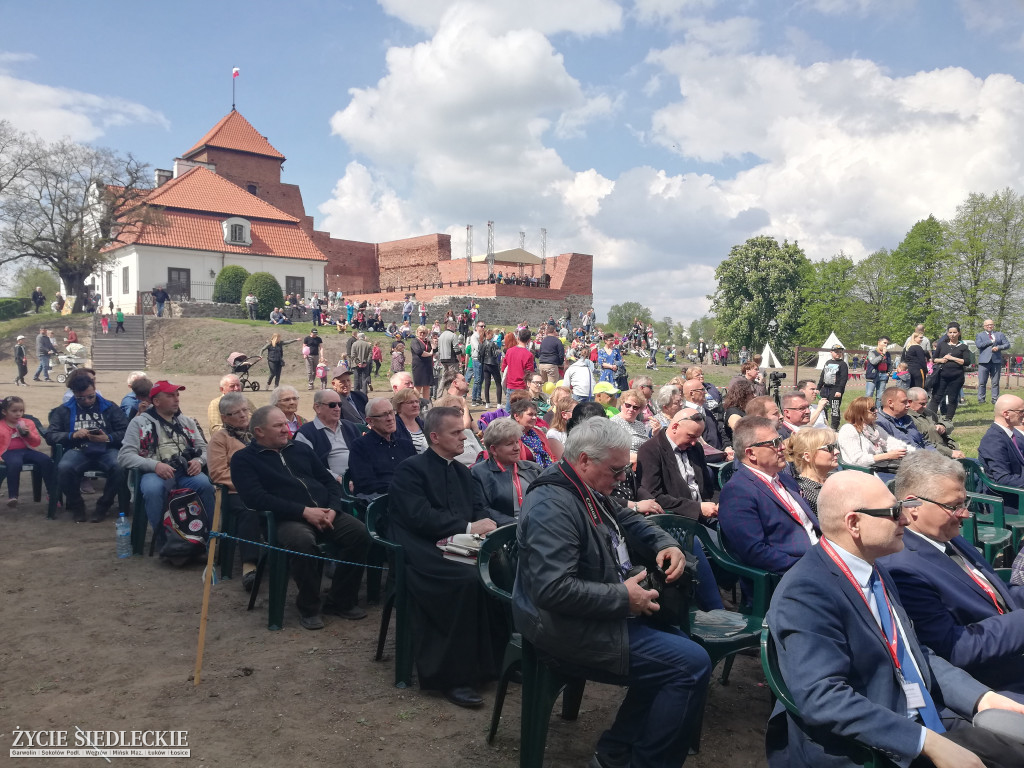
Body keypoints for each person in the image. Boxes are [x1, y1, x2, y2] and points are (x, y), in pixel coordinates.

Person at [766, 470, 1024, 768]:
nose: (905, 518)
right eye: (893, 511)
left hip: (920, 714)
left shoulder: (874, 570)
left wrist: (982, 698)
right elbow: (823, 697)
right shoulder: (806, 592)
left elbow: (915, 654)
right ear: (854, 524)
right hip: (867, 747)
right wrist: (925, 742)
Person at [514, 416, 712, 768]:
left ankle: (615, 752)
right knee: (690, 664)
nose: (623, 480)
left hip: (599, 611)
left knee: (682, 648)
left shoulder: (584, 486)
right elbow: (552, 590)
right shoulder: (552, 504)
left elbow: (630, 519)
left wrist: (667, 543)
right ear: (585, 460)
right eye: (617, 471)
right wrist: (623, 598)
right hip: (565, 628)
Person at [387, 407, 509, 707]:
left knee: (504, 569)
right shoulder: (410, 469)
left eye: (463, 431)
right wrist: (469, 526)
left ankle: (496, 664)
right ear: (435, 437)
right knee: (467, 581)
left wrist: (485, 526)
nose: (463, 437)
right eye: (456, 433)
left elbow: (477, 507)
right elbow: (419, 517)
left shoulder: (459, 470)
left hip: (461, 544)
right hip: (423, 551)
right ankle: (454, 677)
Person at [879, 451, 1024, 695]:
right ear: (914, 506)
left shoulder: (947, 538)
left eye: (964, 504)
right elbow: (954, 648)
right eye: (954, 506)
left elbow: (997, 598)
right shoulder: (903, 569)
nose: (965, 514)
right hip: (993, 686)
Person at [231, 405, 370, 629]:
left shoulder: (300, 449)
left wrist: (333, 509)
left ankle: (340, 599)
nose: (286, 429)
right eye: (278, 426)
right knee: (302, 542)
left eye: (285, 424)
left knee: (360, 533)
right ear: (259, 431)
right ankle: (309, 607)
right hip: (285, 520)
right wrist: (303, 512)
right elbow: (256, 499)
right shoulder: (244, 459)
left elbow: (328, 481)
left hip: (325, 512)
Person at [718, 416, 820, 576]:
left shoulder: (785, 479)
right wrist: (808, 568)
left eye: (780, 440)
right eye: (774, 444)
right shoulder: (737, 492)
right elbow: (754, 551)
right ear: (751, 453)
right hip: (792, 573)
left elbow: (809, 525)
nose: (782, 448)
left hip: (820, 555)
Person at [118, 381, 216, 543]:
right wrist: (154, 465)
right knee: (153, 489)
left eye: (177, 395)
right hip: (154, 473)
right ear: (156, 402)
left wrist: (199, 461)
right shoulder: (139, 423)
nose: (176, 399)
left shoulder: (187, 422)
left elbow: (205, 448)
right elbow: (125, 456)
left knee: (204, 484)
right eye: (170, 396)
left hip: (185, 472)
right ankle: (164, 540)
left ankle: (208, 536)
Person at [46, 377, 128, 522]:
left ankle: (104, 505)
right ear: (74, 394)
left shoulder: (109, 407)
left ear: (95, 390)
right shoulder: (64, 410)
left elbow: (126, 431)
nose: (87, 401)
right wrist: (72, 435)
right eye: (81, 398)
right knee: (64, 468)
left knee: (120, 466)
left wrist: (108, 437)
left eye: (91, 396)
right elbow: (51, 435)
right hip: (78, 449)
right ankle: (77, 506)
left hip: (107, 449)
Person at [206, 392, 261, 592]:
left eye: (245, 410)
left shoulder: (259, 432)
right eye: (235, 413)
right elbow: (218, 473)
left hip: (266, 488)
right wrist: (250, 484)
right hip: (236, 493)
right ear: (224, 418)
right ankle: (249, 566)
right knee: (250, 510)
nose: (242, 415)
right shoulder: (220, 439)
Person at [636, 408, 717, 526]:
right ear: (674, 427)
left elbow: (708, 487)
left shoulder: (695, 448)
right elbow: (653, 496)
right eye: (691, 436)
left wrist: (717, 505)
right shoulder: (650, 450)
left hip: (706, 514)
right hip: (679, 521)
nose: (694, 442)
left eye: (697, 437)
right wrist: (696, 508)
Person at [471, 417, 543, 525]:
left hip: (539, 525)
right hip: (506, 531)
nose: (517, 448)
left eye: (517, 442)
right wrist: (516, 525)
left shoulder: (533, 468)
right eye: (509, 444)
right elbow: (482, 509)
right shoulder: (478, 473)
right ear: (493, 449)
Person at [348, 397, 416, 497]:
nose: (390, 418)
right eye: (383, 415)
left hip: (412, 496)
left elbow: (418, 474)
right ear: (370, 421)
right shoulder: (360, 446)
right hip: (383, 501)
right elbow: (365, 483)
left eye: (391, 412)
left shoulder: (406, 445)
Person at [837, 396, 912, 480]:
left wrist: (913, 453)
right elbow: (858, 461)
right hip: (860, 474)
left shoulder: (874, 428)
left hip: (879, 469)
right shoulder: (848, 430)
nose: (876, 411)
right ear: (860, 413)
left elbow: (891, 442)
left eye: (876, 407)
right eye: (872, 409)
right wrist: (888, 455)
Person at [295, 389, 362, 482]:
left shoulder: (350, 427)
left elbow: (365, 454)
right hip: (330, 485)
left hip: (359, 478)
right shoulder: (305, 433)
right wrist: (338, 479)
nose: (337, 408)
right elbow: (306, 465)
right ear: (317, 407)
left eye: (340, 404)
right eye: (332, 405)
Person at [0, 396, 55, 507]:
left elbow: (36, 442)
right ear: (4, 412)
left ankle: (52, 493)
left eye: (21, 411)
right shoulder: (1, 425)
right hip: (8, 453)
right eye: (14, 411)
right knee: (15, 463)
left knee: (46, 460)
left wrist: (28, 434)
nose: (18, 414)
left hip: (27, 450)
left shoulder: (28, 423)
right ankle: (13, 496)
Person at [978, 394, 1024, 513]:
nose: (1023, 415)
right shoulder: (994, 440)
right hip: (1008, 503)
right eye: (1021, 411)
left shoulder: (1011, 435)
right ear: (1006, 414)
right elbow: (1003, 479)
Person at [786, 426, 838, 514]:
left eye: (835, 446)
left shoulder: (836, 479)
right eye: (829, 448)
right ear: (807, 456)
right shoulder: (802, 492)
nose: (837, 451)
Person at [906, 387, 965, 459]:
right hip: (932, 456)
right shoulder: (907, 419)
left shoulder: (928, 413)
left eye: (926, 403)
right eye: (922, 404)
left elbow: (948, 423)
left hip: (946, 451)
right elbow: (924, 443)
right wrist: (950, 452)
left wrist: (943, 426)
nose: (925, 406)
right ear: (909, 402)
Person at [929, 322, 968, 419]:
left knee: (952, 398)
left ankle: (948, 419)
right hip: (942, 375)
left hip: (956, 377)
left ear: (959, 333)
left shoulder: (963, 347)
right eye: (950, 332)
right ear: (947, 333)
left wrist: (952, 358)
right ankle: (931, 419)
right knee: (936, 397)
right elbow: (933, 359)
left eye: (955, 332)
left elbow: (967, 361)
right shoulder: (942, 345)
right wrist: (941, 360)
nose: (952, 334)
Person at [610, 388, 659, 462]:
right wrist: (644, 457)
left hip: (644, 461)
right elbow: (614, 452)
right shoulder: (613, 423)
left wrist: (654, 434)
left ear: (640, 410)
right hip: (627, 464)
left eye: (635, 407)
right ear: (622, 404)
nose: (631, 409)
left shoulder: (639, 425)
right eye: (628, 405)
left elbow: (648, 445)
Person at [875, 386, 930, 451]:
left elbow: (924, 442)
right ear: (890, 403)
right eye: (904, 402)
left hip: (925, 456)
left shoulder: (907, 418)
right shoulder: (879, 423)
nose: (908, 405)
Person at [509, 397, 556, 468]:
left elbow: (551, 454)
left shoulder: (538, 433)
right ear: (517, 416)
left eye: (535, 415)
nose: (534, 418)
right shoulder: (510, 436)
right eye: (530, 414)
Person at [977, 318, 1011, 405]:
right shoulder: (980, 335)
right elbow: (979, 345)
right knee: (982, 382)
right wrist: (990, 341)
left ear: (993, 325)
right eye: (987, 325)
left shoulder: (999, 334)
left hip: (996, 361)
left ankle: (995, 399)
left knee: (995, 382)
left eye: (991, 324)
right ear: (984, 326)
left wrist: (998, 347)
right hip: (984, 362)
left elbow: (1007, 344)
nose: (989, 326)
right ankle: (981, 399)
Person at [501, 329, 536, 408]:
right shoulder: (528, 355)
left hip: (510, 385)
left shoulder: (509, 351)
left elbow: (503, 368)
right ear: (529, 340)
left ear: (518, 338)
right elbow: (529, 373)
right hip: (522, 386)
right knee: (521, 410)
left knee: (509, 411)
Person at [816, 345, 849, 430]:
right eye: (836, 352)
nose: (838, 353)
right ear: (831, 352)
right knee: (823, 407)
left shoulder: (843, 364)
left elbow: (843, 379)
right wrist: (818, 388)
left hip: (836, 389)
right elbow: (823, 375)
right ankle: (823, 425)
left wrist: (839, 390)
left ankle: (834, 427)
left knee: (834, 408)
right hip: (825, 388)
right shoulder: (827, 362)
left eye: (840, 352)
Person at [394, 386, 427, 453]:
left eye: (417, 401)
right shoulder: (394, 426)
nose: (415, 405)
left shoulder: (424, 424)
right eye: (410, 402)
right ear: (399, 406)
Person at [543, 388, 576, 453]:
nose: (568, 401)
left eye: (570, 398)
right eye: (564, 399)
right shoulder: (553, 432)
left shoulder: (577, 429)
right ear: (555, 401)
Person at [865, 337, 892, 408]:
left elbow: (890, 364)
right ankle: (867, 410)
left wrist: (888, 373)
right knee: (869, 394)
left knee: (880, 396)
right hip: (873, 375)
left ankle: (878, 412)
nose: (886, 345)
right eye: (884, 343)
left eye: (887, 343)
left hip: (883, 375)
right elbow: (874, 362)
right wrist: (882, 354)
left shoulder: (887, 354)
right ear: (879, 342)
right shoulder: (872, 352)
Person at [409, 325, 434, 400]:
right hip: (419, 366)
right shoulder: (415, 341)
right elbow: (419, 352)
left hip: (428, 366)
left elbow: (435, 349)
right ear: (417, 332)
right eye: (421, 332)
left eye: (424, 333)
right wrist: (429, 354)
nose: (422, 334)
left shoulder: (427, 342)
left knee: (427, 386)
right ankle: (416, 402)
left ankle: (426, 403)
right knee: (418, 386)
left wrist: (431, 341)